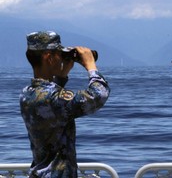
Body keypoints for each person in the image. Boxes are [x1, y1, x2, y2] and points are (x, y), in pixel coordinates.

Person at [20, 31, 110, 178]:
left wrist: (61, 76)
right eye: (58, 54)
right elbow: (98, 95)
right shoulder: (54, 99)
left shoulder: (26, 93)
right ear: (48, 58)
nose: (61, 58)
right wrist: (91, 65)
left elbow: (51, 105)